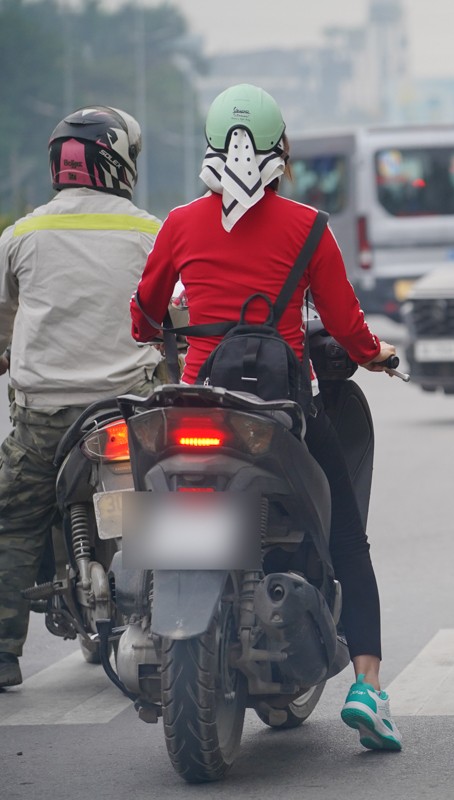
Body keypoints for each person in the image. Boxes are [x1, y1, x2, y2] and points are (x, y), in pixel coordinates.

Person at [129, 84, 401, 751]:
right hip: (282, 414)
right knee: (349, 543)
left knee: (144, 514)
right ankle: (367, 688)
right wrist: (377, 355)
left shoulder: (179, 224)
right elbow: (346, 326)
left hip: (191, 403)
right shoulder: (307, 226)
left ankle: (138, 625)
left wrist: (175, 327)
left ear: (212, 150)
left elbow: (142, 317)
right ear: (282, 150)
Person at [0, 106, 162, 689]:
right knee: (148, 516)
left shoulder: (21, 235)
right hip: (126, 414)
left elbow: (4, 319)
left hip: (44, 419)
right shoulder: (150, 233)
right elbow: (178, 316)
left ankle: (2, 652)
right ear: (118, 162)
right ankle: (161, 625)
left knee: (13, 521)